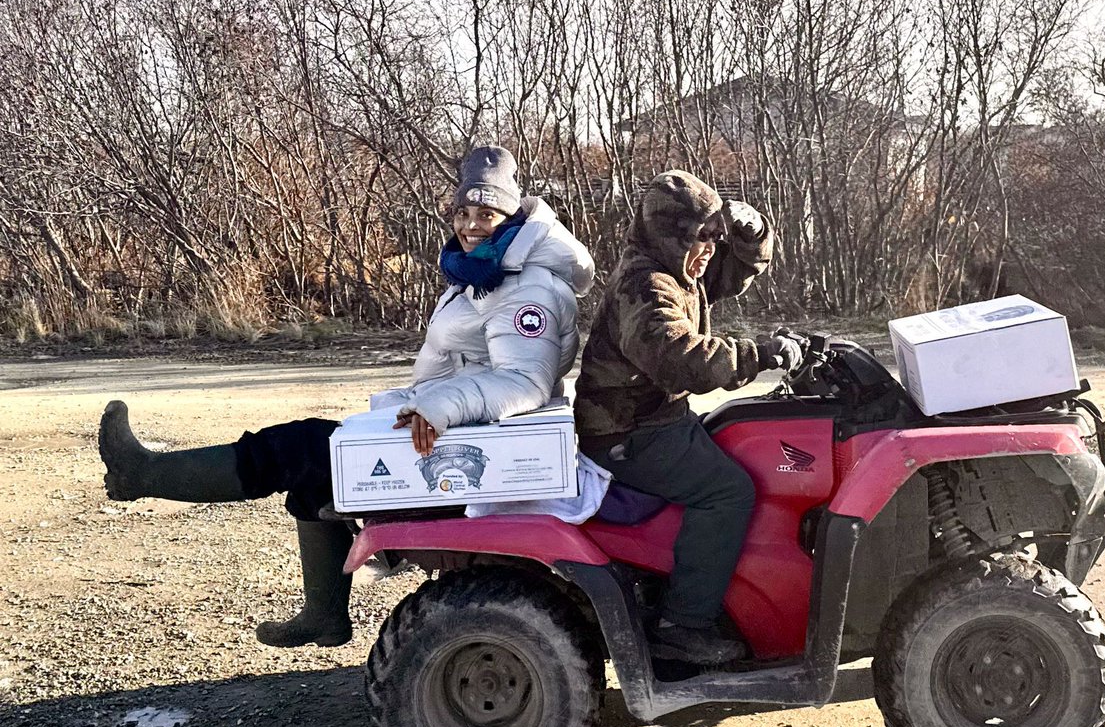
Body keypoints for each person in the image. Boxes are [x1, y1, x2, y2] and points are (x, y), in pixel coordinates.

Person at [99, 146, 594, 648]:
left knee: (299, 450)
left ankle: (142, 473)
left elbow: (524, 382)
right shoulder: (485, 271)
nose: (470, 226)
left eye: (486, 214)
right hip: (455, 424)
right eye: (462, 213)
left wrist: (438, 407)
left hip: (475, 443)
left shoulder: (524, 287)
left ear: (511, 217)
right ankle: (323, 615)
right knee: (318, 473)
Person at [573, 170, 801, 666]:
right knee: (728, 491)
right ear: (670, 235)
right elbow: (677, 357)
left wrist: (752, 234)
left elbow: (731, 273)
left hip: (655, 418)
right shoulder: (646, 284)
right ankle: (683, 625)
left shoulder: (678, 269)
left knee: (743, 435)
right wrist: (758, 355)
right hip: (625, 431)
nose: (710, 249)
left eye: (716, 236)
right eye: (702, 237)